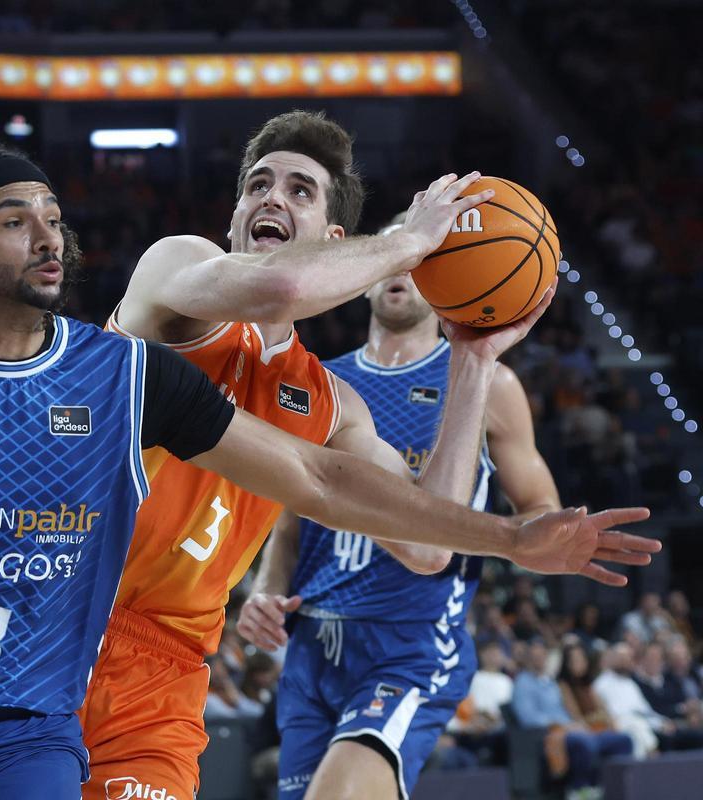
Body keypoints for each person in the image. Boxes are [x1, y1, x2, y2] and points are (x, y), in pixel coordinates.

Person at [0, 148, 654, 799]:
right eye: (15, 216)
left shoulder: (134, 379)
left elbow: (335, 490)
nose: (49, 232)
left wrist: (511, 534)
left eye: (53, 214)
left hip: (39, 723)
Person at [81, 110, 593, 800]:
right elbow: (283, 287)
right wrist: (410, 240)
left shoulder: (330, 403)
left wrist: (471, 364)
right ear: (235, 216)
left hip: (165, 672)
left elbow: (425, 542)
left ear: (333, 240)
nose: (271, 197)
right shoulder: (176, 270)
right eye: (258, 184)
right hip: (58, 615)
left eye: (300, 190)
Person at [240, 214, 568, 799]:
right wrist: (265, 588)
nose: (407, 272)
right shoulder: (320, 382)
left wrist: (520, 536)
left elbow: (540, 504)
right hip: (313, 646)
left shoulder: (488, 383)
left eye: (425, 261)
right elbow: (286, 521)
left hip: (412, 639)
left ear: (445, 279)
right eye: (397, 255)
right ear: (368, 275)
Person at [512, 640, 632, 800]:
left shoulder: (551, 683)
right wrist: (564, 726)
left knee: (622, 740)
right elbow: (528, 718)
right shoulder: (523, 682)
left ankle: (613, 788)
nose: (539, 659)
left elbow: (569, 711)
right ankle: (580, 789)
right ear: (527, 659)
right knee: (584, 742)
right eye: (535, 656)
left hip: (573, 728)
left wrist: (576, 724)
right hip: (551, 734)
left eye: (542, 655)